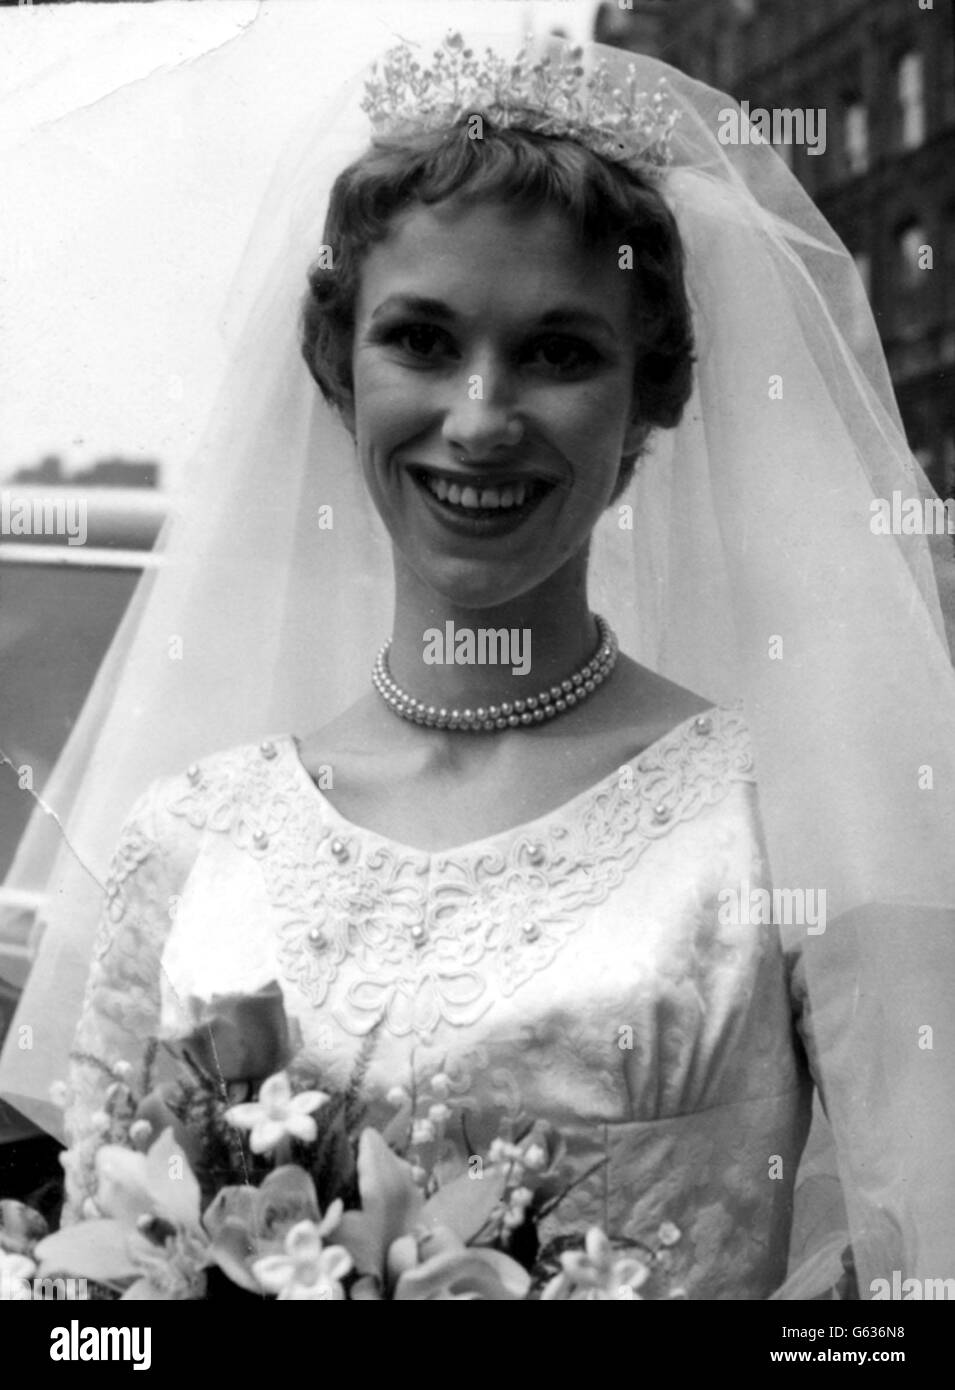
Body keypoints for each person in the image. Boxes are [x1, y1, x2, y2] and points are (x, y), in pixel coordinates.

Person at [3, 18, 955, 1299]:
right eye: (423, 340)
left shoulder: (790, 820)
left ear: (652, 398)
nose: (479, 417)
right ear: (339, 366)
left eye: (559, 352)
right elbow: (84, 1309)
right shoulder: (193, 834)